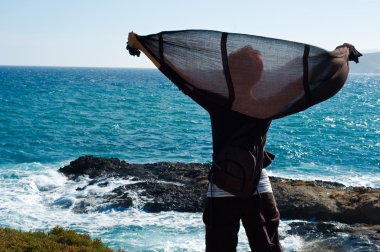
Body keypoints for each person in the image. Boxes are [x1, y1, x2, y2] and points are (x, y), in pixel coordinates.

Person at [128, 31, 282, 251]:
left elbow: (178, 77)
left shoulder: (218, 102)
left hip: (221, 188)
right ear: (258, 75)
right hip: (257, 187)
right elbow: (307, 84)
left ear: (229, 72)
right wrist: (341, 57)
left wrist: (143, 47)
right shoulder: (267, 105)